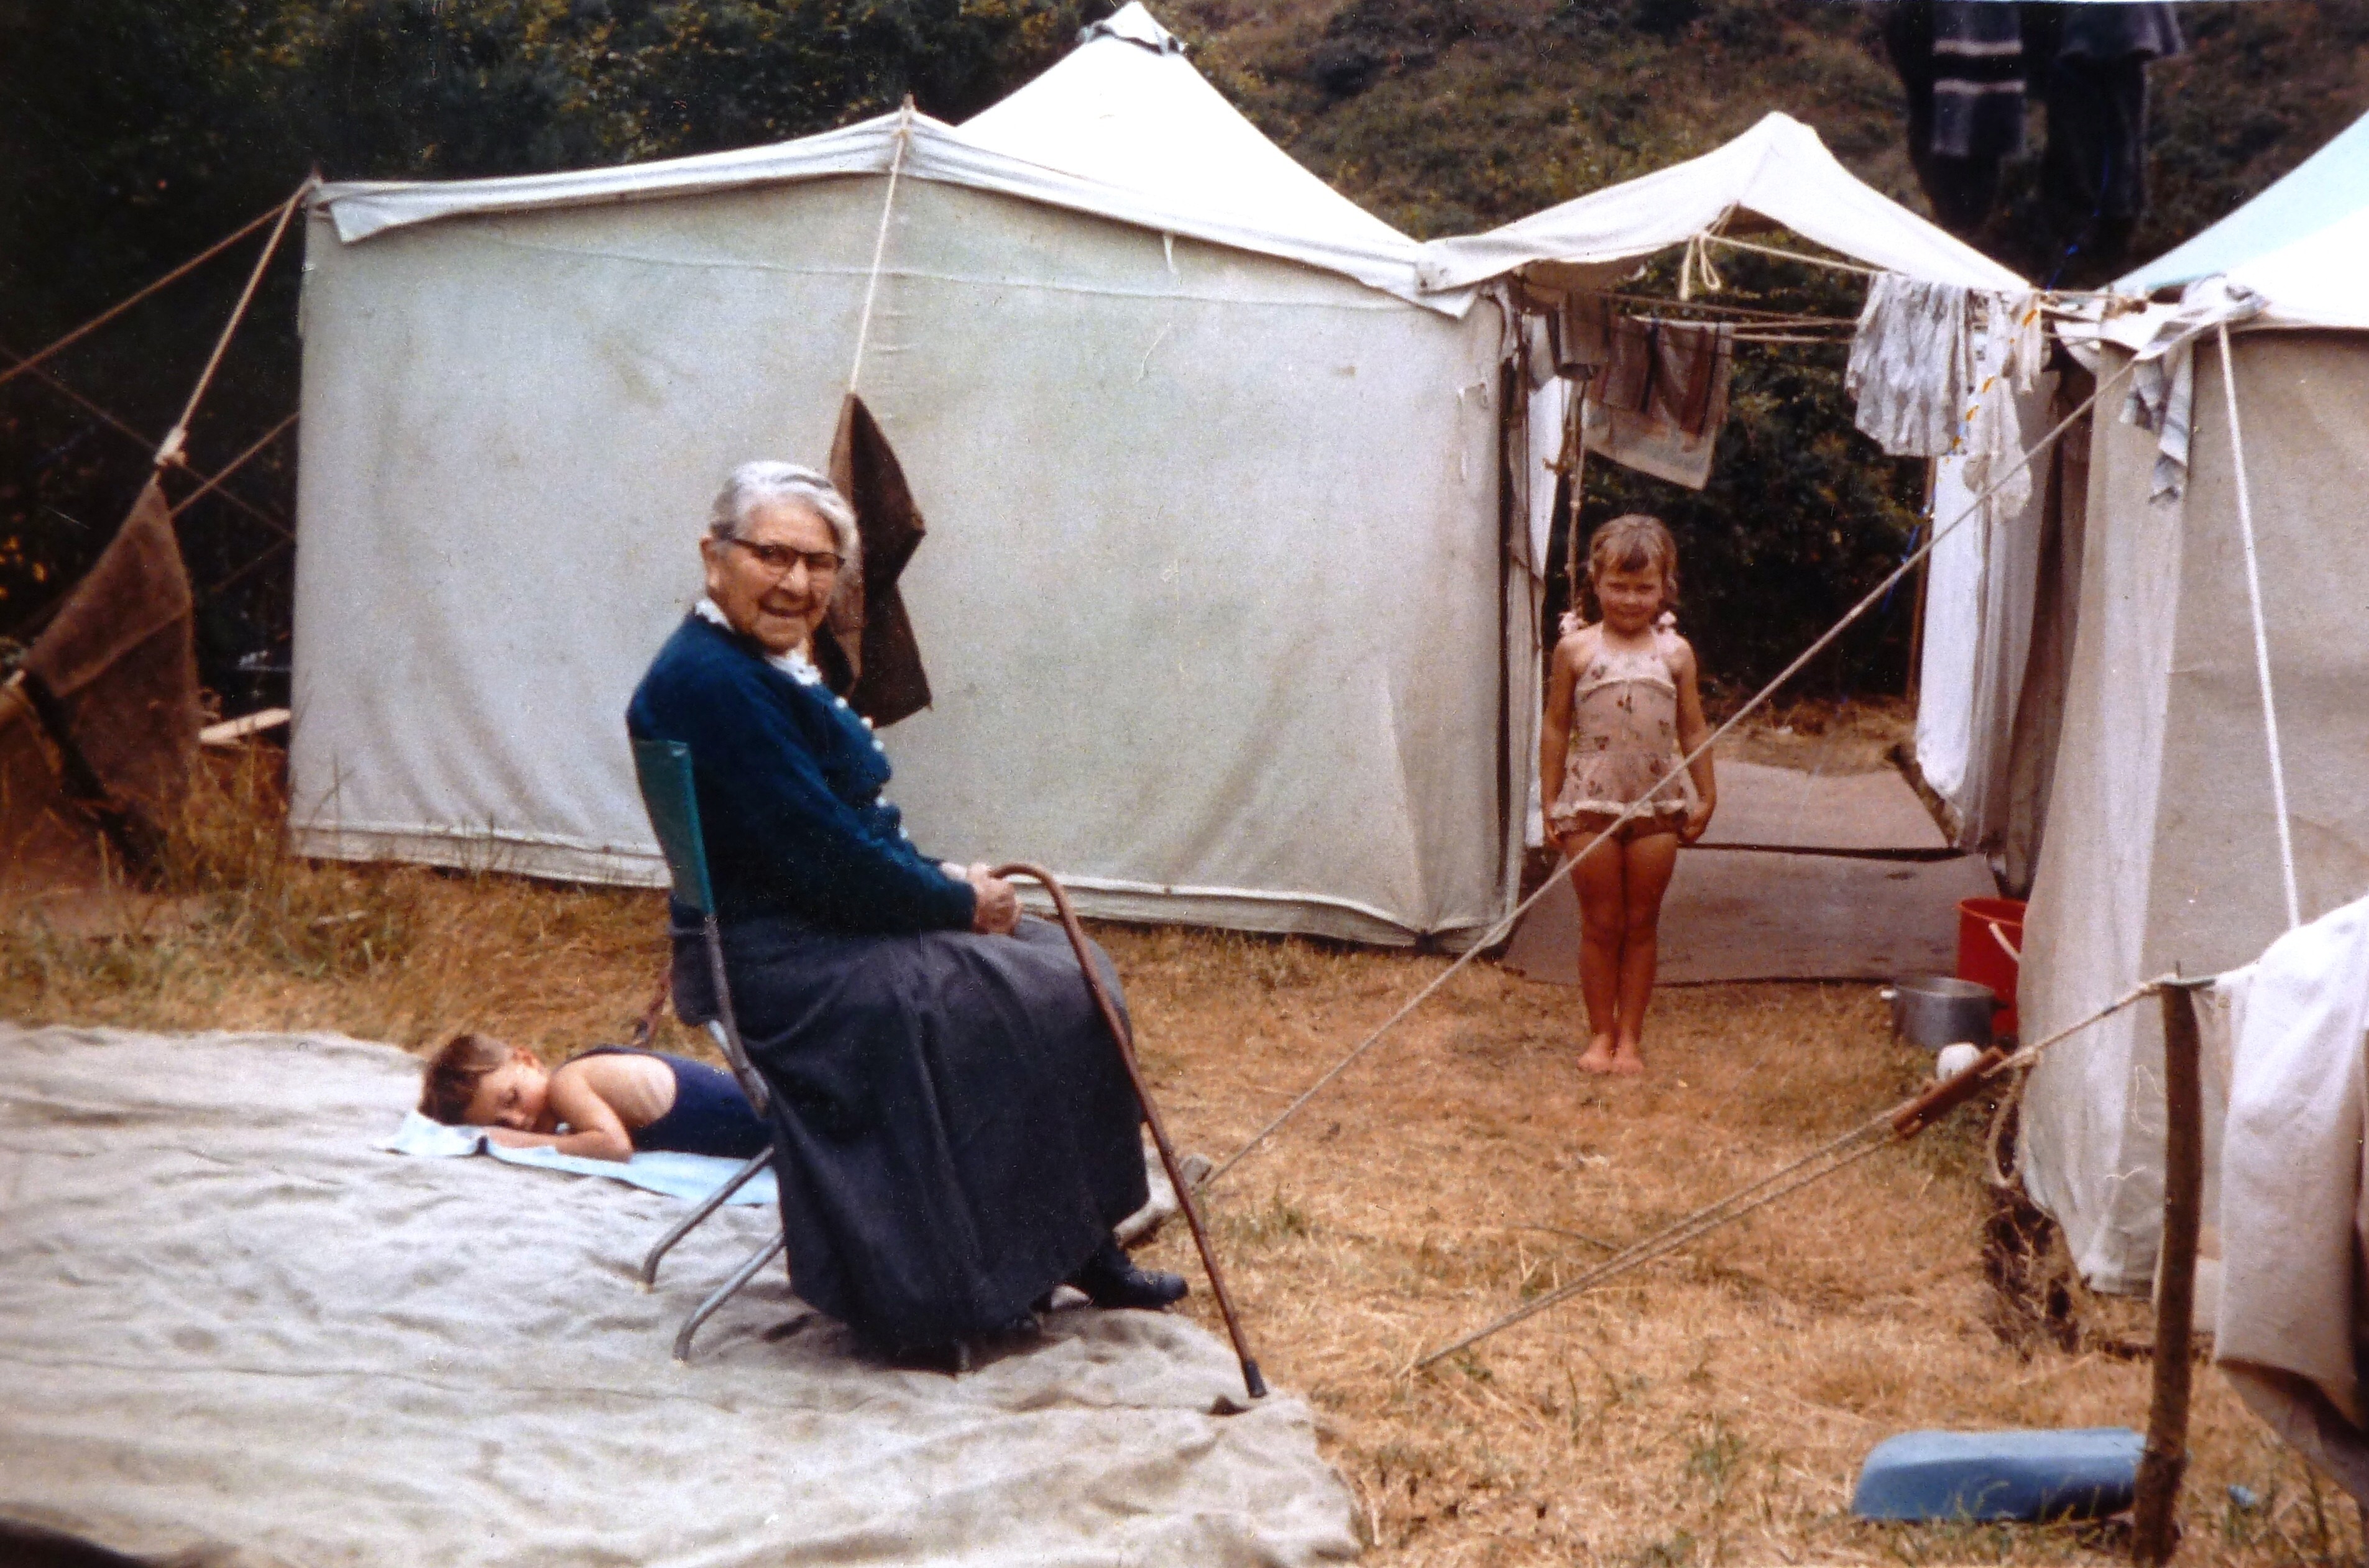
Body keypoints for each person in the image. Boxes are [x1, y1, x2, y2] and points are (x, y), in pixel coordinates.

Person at [624, 460, 1183, 1359]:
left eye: (817, 564)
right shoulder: (716, 683)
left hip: (807, 929)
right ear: (712, 555)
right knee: (1042, 989)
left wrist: (936, 880)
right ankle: (946, 1289)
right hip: (787, 967)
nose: (796, 583)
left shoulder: (748, 663)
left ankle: (1073, 1238)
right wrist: (954, 898)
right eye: (772, 554)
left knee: (1057, 971)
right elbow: (832, 863)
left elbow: (830, 839)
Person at [1540, 515, 1716, 1077]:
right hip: (1589, 804)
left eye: (1644, 587)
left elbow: (1692, 727)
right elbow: (1554, 727)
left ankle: (1630, 1040)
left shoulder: (1675, 655)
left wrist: (1706, 794)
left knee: (1641, 922)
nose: (1631, 599)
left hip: (1656, 808)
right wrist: (1548, 801)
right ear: (1596, 581)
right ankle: (1600, 1032)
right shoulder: (1574, 650)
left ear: (1665, 586)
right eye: (1618, 585)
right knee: (1600, 923)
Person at [418, 1032, 771, 1163]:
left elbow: (613, 1147)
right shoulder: (575, 1098)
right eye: (500, 1123)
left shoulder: (567, 1082)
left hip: (784, 1124)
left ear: (528, 1060)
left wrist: (518, 1141)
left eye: (511, 1099)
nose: (518, 1121)